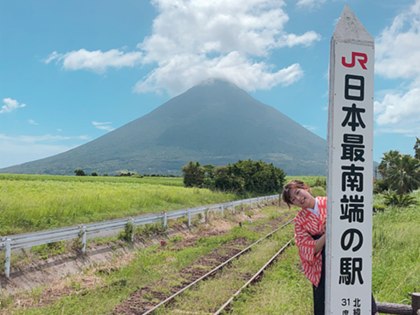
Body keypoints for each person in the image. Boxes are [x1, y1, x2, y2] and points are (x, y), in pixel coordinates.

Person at [282, 179, 378, 315]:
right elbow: (307, 248)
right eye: (293, 199)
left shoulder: (332, 202)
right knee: (325, 301)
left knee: (356, 289)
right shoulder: (299, 221)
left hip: (346, 253)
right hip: (322, 266)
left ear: (305, 188)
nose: (298, 198)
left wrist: (338, 225)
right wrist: (328, 234)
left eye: (298, 192)